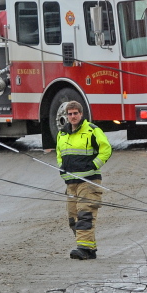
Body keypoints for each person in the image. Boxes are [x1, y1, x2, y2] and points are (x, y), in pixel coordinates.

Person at [56, 100, 111, 260]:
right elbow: (59, 153)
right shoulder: (62, 133)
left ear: (81, 114)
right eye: (70, 114)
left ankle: (83, 249)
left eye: (75, 113)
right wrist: (61, 165)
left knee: (85, 215)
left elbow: (106, 149)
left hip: (88, 182)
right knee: (73, 218)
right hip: (70, 183)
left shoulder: (92, 131)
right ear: (67, 116)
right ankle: (89, 248)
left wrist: (94, 164)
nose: (73, 116)